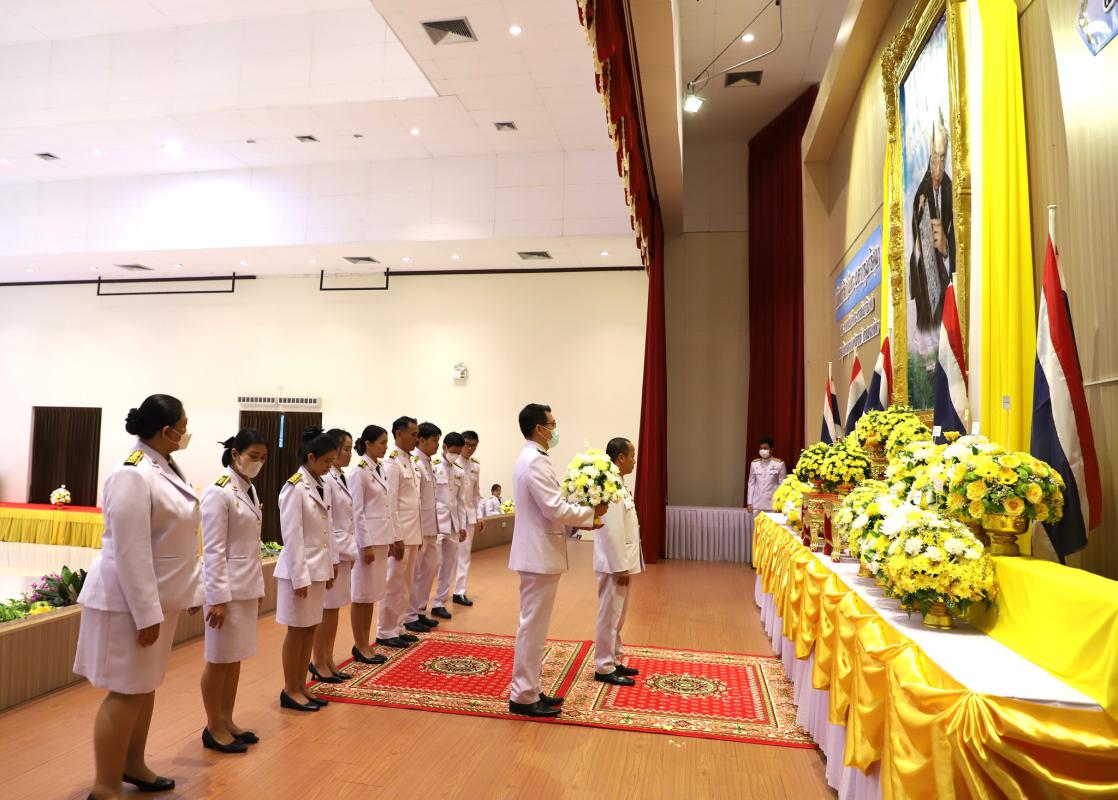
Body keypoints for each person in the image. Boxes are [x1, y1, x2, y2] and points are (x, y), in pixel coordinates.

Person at [75, 395, 204, 799]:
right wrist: (146, 613)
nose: (187, 431)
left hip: (158, 598)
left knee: (144, 687)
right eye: (183, 425)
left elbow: (176, 540)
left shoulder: (164, 464)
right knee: (125, 691)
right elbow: (130, 550)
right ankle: (105, 785)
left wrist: (191, 591)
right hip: (127, 604)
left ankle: (133, 764)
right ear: (166, 431)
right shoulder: (131, 473)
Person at [508, 404, 603, 718]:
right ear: (539, 429)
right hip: (537, 554)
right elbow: (554, 508)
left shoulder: (533, 458)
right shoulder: (535, 461)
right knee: (532, 627)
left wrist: (580, 519)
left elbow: (550, 509)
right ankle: (523, 695)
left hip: (539, 552)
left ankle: (531, 688)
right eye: (552, 423)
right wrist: (591, 514)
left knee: (536, 627)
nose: (555, 429)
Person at [199, 428, 268, 755]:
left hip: (245, 586)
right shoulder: (219, 492)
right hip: (225, 591)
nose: (258, 462)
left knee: (234, 657)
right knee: (218, 659)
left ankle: (227, 720)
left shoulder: (248, 488)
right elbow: (213, 549)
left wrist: (257, 586)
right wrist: (216, 598)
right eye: (253, 456)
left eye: (263, 458)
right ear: (235, 453)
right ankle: (213, 726)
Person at [275, 427, 338, 712]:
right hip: (298, 573)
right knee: (297, 631)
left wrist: (330, 567)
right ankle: (290, 689)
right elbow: (292, 536)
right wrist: (299, 577)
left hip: (318, 569)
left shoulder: (321, 484)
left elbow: (327, 529)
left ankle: (301, 685)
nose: (329, 467)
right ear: (311, 457)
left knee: (310, 628)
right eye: (326, 461)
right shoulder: (295, 487)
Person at [592, 438, 644, 687]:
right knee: (609, 615)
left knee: (618, 614)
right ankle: (603, 666)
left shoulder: (619, 483)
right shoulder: (610, 485)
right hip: (614, 563)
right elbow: (611, 530)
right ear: (620, 458)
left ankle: (614, 658)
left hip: (623, 560)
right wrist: (620, 565)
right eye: (632, 455)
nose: (634, 460)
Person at [311, 428, 358, 684]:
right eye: (346, 449)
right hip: (334, 551)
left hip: (344, 549)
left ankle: (328, 658)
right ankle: (319, 660)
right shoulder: (327, 479)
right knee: (327, 610)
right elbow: (327, 520)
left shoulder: (340, 476)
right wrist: (333, 556)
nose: (350, 453)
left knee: (334, 609)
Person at [376, 416, 421, 649]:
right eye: (413, 434)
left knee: (406, 583)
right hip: (400, 534)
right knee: (393, 582)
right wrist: (396, 537)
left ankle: (399, 626)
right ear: (399, 434)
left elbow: (414, 501)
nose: (417, 439)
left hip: (413, 532)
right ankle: (385, 630)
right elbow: (390, 502)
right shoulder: (392, 462)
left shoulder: (410, 461)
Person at [348, 425, 392, 666]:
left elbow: (386, 507)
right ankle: (360, 645)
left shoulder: (379, 468)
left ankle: (365, 644)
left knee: (371, 595)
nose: (386, 447)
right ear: (368, 444)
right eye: (382, 442)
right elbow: (357, 512)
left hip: (380, 540)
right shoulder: (359, 472)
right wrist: (364, 545)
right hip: (368, 543)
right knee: (361, 595)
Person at [908, 113, 955, 336]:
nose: (938, 166)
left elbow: (958, 245)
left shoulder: (951, 190)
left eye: (943, 158)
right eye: (935, 157)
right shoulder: (921, 197)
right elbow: (918, 256)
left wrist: (946, 250)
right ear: (929, 152)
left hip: (949, 298)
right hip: (926, 303)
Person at [403, 422, 443, 633]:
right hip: (419, 527)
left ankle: (419, 610)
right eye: (434, 440)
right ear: (422, 440)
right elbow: (416, 499)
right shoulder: (416, 462)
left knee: (429, 570)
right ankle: (409, 615)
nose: (437, 445)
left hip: (431, 527)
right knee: (416, 572)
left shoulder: (429, 463)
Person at [427, 432, 467, 621]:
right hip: (436, 524)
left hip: (452, 525)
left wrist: (462, 526)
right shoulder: (434, 467)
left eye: (458, 452)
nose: (456, 455)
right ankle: (419, 606)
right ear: (444, 447)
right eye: (453, 451)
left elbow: (461, 501)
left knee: (449, 566)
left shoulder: (459, 471)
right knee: (431, 565)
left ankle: (439, 603)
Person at [452, 430, 483, 606]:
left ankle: (460, 592)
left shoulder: (475, 466)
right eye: (467, 445)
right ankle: (440, 593)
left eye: (474, 446)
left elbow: (476, 493)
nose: (470, 449)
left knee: (464, 556)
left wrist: (480, 515)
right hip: (451, 517)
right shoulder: (451, 462)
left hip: (468, 516)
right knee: (444, 558)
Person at [746, 437, 788, 514]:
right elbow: (751, 484)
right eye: (761, 448)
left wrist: (781, 503)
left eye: (765, 448)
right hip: (757, 504)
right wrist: (749, 502)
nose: (763, 451)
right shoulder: (754, 464)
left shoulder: (779, 464)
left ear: (771, 449)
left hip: (772, 504)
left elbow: (782, 485)